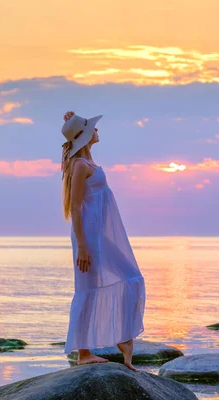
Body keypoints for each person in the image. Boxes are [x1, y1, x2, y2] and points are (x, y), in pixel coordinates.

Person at [61, 110, 146, 371]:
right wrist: (83, 246)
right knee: (86, 288)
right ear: (85, 136)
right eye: (92, 128)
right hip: (88, 236)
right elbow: (75, 207)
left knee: (132, 277)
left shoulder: (87, 162)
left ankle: (122, 337)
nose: (97, 131)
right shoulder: (78, 165)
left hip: (100, 235)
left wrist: (73, 122)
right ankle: (83, 352)